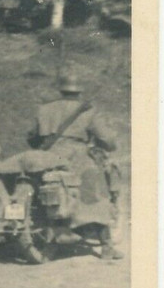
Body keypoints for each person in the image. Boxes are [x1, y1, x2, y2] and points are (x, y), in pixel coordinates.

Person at [28, 73, 124, 260]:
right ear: (79, 90)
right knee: (97, 194)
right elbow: (106, 139)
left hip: (48, 157)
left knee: (47, 194)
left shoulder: (44, 109)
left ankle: (50, 246)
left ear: (61, 89)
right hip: (78, 156)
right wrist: (110, 144)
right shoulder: (88, 111)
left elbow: (32, 137)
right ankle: (106, 247)